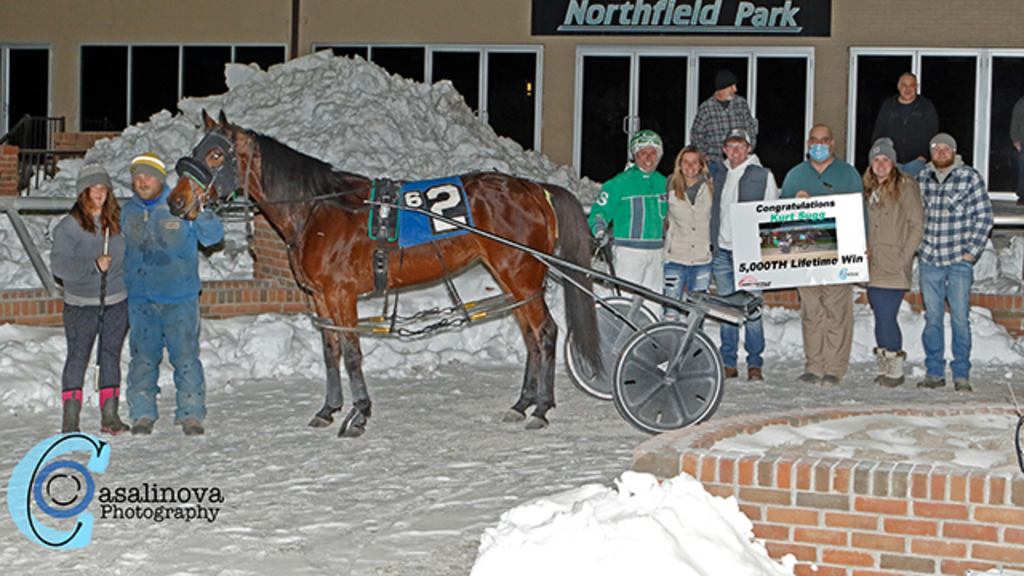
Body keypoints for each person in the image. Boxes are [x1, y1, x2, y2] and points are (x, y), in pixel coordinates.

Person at [122, 152, 224, 435]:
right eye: (137, 177)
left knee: (186, 358)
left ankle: (191, 413)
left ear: (160, 178)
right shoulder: (127, 212)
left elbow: (213, 237)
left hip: (180, 299)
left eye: (148, 176)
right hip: (141, 300)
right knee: (142, 360)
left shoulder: (180, 203)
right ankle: (142, 413)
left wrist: (202, 210)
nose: (142, 182)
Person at [780, 124, 863, 387]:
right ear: (807, 144)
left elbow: (861, 212)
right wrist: (795, 203)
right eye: (814, 140)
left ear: (832, 143)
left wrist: (863, 244)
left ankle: (835, 367)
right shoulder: (795, 176)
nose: (819, 144)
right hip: (806, 255)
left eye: (824, 140)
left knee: (837, 312)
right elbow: (779, 217)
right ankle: (814, 365)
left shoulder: (848, 174)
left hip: (841, 253)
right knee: (812, 311)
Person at [51, 161, 129, 434]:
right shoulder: (69, 227)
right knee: (78, 358)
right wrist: (93, 267)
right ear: (82, 191)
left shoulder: (117, 222)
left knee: (110, 356)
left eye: (103, 187)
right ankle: (70, 422)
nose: (99, 191)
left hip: (117, 302)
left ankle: (110, 416)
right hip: (81, 305)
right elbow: (59, 268)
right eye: (92, 187)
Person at [915, 133, 994, 392]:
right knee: (933, 317)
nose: (941, 152)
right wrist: (918, 247)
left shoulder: (969, 177)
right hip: (930, 260)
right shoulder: (921, 179)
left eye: (946, 148)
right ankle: (934, 371)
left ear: (954, 152)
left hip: (959, 262)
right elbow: (912, 216)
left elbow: (984, 217)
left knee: (960, 318)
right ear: (931, 152)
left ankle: (961, 373)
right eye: (936, 148)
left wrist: (970, 253)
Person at [710, 128, 779, 381]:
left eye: (740, 146)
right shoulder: (717, 174)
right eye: (731, 146)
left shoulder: (763, 176)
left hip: (749, 253)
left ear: (748, 148)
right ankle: (728, 362)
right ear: (725, 150)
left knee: (752, 309)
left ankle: (754, 363)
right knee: (728, 309)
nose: (736, 151)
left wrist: (765, 252)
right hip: (723, 252)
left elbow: (771, 216)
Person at [862, 138, 924, 387]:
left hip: (894, 264)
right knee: (879, 315)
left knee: (887, 315)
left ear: (893, 162)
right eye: (876, 160)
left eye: (885, 159)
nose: (880, 164)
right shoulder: (866, 187)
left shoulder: (906, 186)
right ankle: (885, 364)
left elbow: (916, 226)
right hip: (872, 264)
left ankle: (896, 369)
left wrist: (904, 257)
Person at [589, 130, 668, 295]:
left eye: (653, 153)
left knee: (654, 303)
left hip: (657, 253)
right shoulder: (618, 183)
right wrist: (600, 231)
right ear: (635, 155)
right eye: (643, 152)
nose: (648, 157)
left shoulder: (664, 182)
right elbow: (599, 212)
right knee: (626, 302)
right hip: (629, 254)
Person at [662, 146, 714, 320]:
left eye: (694, 162)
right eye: (686, 161)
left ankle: (695, 347)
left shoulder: (710, 187)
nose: (690, 166)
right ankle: (670, 346)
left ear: (700, 165)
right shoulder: (669, 186)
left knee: (697, 314)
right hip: (675, 257)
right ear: (679, 164)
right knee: (671, 311)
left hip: (702, 259)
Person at [690, 70, 759, 173]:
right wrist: (703, 155)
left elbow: (751, 128)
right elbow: (696, 135)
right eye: (731, 86)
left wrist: (748, 150)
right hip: (714, 163)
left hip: (739, 161)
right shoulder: (706, 108)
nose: (735, 89)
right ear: (721, 89)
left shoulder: (741, 104)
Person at [872, 72, 939, 177]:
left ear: (916, 87)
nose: (907, 89)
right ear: (898, 86)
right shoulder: (888, 106)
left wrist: (925, 155)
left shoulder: (926, 106)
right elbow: (879, 133)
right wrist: (881, 156)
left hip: (917, 163)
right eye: (904, 85)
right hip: (892, 162)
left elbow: (933, 133)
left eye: (911, 85)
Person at [1011, 95, 1024, 204]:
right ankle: (1022, 196)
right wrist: (1016, 139)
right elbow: (1015, 121)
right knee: (1023, 170)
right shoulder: (1021, 103)